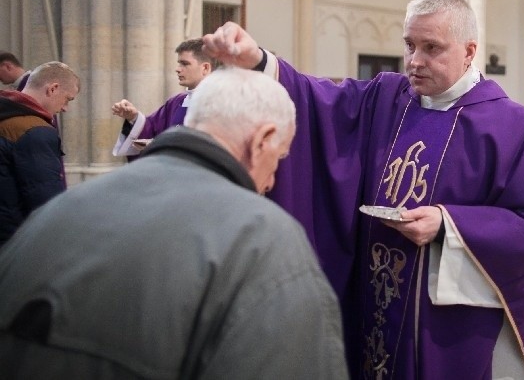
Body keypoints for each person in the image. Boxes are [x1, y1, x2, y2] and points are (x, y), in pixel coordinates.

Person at [203, 0, 524, 380]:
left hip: (445, 330)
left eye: (432, 48)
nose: (415, 61)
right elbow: (318, 100)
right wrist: (260, 61)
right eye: (410, 45)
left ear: (469, 51)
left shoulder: (509, 125)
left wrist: (447, 225)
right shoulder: (386, 98)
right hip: (375, 302)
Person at [0, 67, 348, 379]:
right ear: (261, 141)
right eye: (280, 158)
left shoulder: (64, 207)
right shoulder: (263, 239)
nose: (272, 182)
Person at [0, 61, 80, 246]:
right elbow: (45, 199)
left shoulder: (6, 114)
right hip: (14, 242)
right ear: (53, 89)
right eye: (68, 99)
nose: (65, 108)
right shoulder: (35, 130)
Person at [111, 38, 215, 158]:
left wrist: (161, 145)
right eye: (179, 63)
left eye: (185, 64)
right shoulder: (176, 102)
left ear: (205, 68)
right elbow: (151, 127)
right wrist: (133, 117)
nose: (178, 69)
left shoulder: (220, 104)